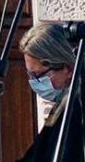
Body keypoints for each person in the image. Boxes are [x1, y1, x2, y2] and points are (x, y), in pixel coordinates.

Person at [18, 22, 83, 162]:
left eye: (37, 76)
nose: (33, 82)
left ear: (68, 69)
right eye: (30, 75)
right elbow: (36, 155)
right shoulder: (63, 103)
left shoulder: (77, 108)